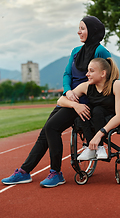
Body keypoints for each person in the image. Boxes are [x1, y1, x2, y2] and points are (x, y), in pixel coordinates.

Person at [1, 16, 111, 188]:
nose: (78, 31)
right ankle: (24, 171)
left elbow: (110, 77)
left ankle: (56, 173)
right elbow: (67, 74)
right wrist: (67, 91)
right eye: (78, 28)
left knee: (52, 127)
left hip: (85, 101)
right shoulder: (75, 51)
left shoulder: (101, 52)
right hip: (69, 98)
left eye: (82, 28)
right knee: (45, 132)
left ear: (93, 31)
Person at [57, 57, 120, 160]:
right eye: (87, 71)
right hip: (95, 117)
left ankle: (99, 146)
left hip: (110, 118)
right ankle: (93, 148)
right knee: (83, 110)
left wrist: (99, 135)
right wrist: (76, 105)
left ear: (103, 73)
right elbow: (60, 101)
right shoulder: (86, 86)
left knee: (97, 110)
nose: (87, 74)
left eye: (91, 71)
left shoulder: (116, 85)